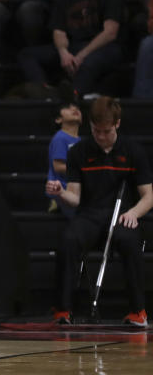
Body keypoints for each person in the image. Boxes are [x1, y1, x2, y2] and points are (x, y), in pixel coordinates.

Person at [47, 97, 152, 326]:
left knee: (130, 242)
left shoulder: (133, 151)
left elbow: (149, 196)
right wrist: (60, 193)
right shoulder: (79, 152)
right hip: (90, 214)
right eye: (96, 131)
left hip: (123, 215)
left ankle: (138, 311)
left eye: (106, 131)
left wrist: (134, 213)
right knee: (68, 239)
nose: (101, 136)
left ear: (117, 124)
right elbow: (75, 197)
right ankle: (63, 310)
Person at [17, 0, 123, 97]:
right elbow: (58, 30)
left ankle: (72, 98)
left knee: (89, 63)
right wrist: (63, 53)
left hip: (101, 47)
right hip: (73, 45)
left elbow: (110, 32)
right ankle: (45, 94)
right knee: (26, 55)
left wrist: (81, 55)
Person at [47, 102, 81, 219]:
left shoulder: (81, 141)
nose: (74, 109)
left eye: (76, 107)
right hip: (62, 188)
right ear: (58, 119)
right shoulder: (60, 138)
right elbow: (58, 166)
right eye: (68, 107)